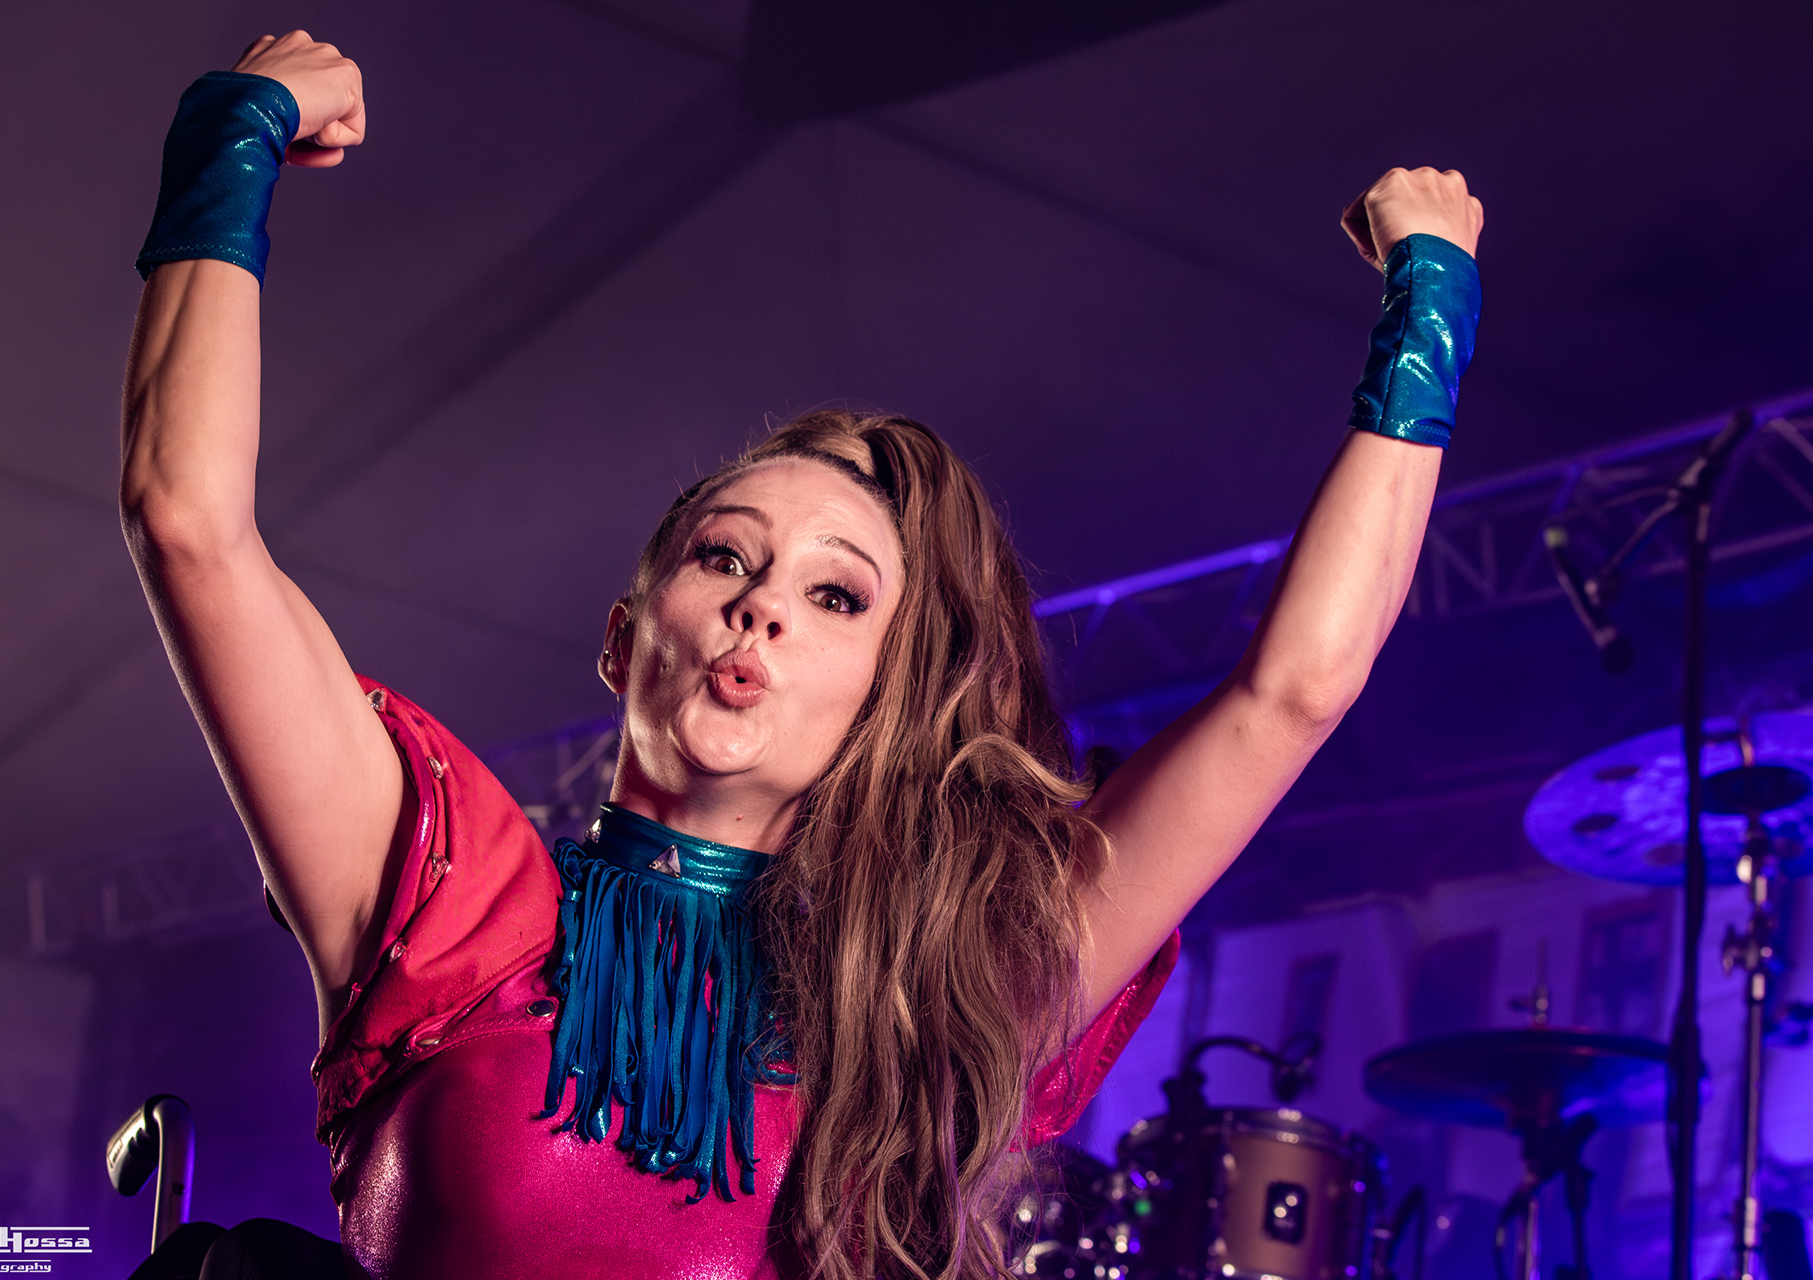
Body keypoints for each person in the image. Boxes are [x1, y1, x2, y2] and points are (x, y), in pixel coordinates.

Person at [118, 29, 1482, 1280]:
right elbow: (188, 525)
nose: (764, 605)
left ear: (884, 701)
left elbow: (1293, 691)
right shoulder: (444, 900)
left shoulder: (936, 1003)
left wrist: (1432, 304)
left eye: (836, 596)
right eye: (726, 557)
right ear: (624, 640)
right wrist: (234, 135)